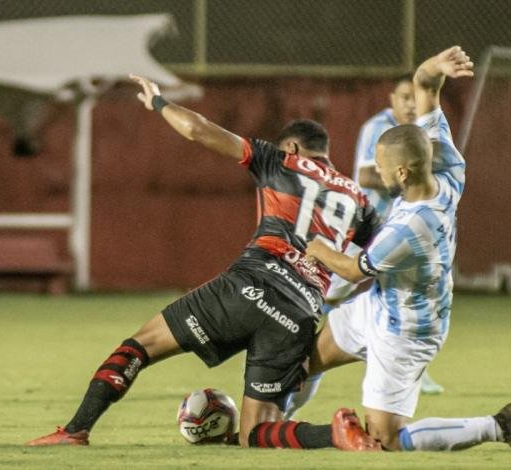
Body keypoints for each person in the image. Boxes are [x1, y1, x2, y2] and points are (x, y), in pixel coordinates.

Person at [27, 74, 381, 451]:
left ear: (292, 146)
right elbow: (381, 256)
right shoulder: (359, 200)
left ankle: (76, 430)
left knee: (139, 347)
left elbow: (198, 129)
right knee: (254, 434)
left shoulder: (280, 160)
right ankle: (336, 434)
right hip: (300, 312)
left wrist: (159, 103)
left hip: (249, 285)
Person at [297, 46, 511, 453]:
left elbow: (350, 270)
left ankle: (497, 425)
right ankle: (273, 427)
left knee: (386, 440)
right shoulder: (446, 166)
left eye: (381, 166)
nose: (376, 171)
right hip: (382, 304)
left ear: (401, 172)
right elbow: (425, 86)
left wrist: (312, 245)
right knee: (304, 362)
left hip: (407, 329)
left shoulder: (408, 229)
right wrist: (435, 68)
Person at [285, 76, 443, 421]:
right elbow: (364, 175)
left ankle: (404, 361)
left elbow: (356, 269)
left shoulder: (411, 219)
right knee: (325, 302)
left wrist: (318, 249)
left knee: (384, 435)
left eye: (415, 98)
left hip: (388, 244)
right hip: (365, 234)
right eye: (405, 97)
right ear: (392, 99)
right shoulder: (381, 128)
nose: (411, 104)